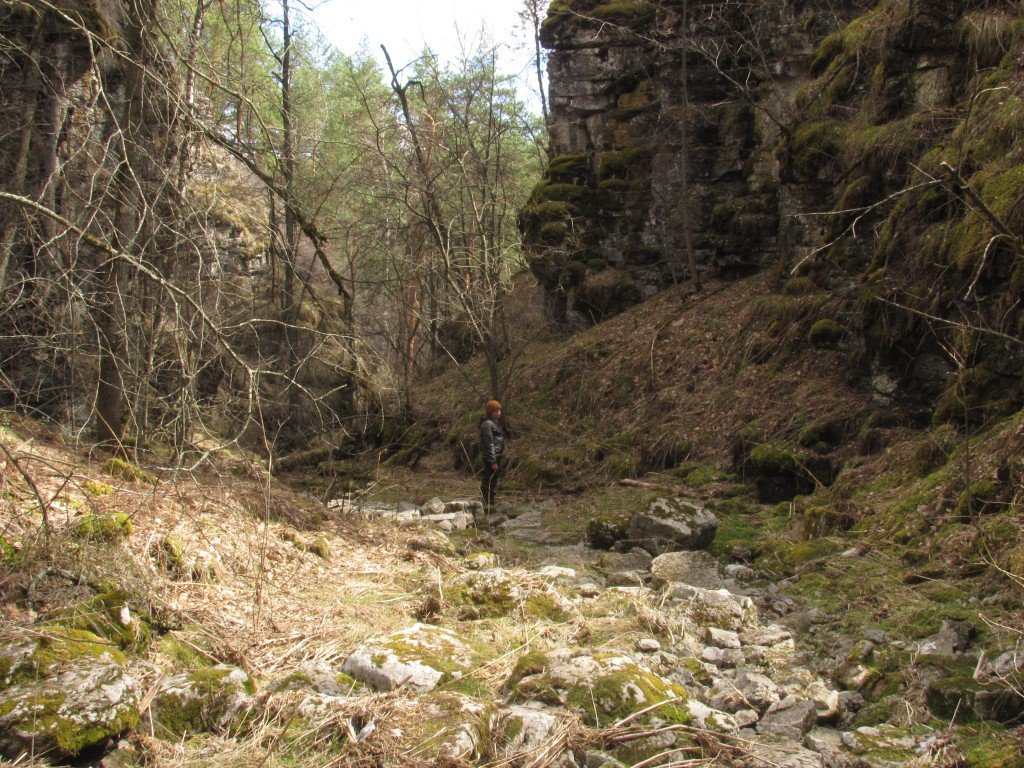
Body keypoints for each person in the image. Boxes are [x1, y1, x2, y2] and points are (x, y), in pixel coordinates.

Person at [479, 399, 505, 526]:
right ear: (490, 412)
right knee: (488, 481)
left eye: (499, 410)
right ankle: (486, 505)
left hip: (496, 456)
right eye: (495, 411)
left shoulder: (495, 423)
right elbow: (489, 443)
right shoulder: (487, 424)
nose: (498, 413)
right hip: (491, 457)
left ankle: (491, 504)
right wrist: (493, 460)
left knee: (493, 481)